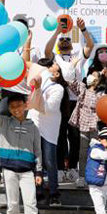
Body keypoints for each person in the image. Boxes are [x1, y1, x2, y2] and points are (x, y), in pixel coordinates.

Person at [44, 15, 93, 183]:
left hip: (76, 101)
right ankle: (59, 168)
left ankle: (72, 168)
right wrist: (58, 30)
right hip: (59, 101)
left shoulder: (77, 55)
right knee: (59, 135)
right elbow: (46, 50)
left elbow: (91, 46)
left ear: (71, 43)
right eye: (61, 39)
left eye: (67, 39)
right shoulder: (55, 58)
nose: (64, 41)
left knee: (75, 136)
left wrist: (83, 30)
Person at [29, 58, 65, 204]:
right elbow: (28, 63)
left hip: (49, 127)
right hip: (34, 123)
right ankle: (37, 191)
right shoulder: (40, 76)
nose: (54, 65)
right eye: (54, 63)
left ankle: (54, 193)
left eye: (56, 65)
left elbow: (48, 109)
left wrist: (37, 92)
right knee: (35, 160)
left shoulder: (58, 88)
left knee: (50, 160)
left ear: (56, 74)